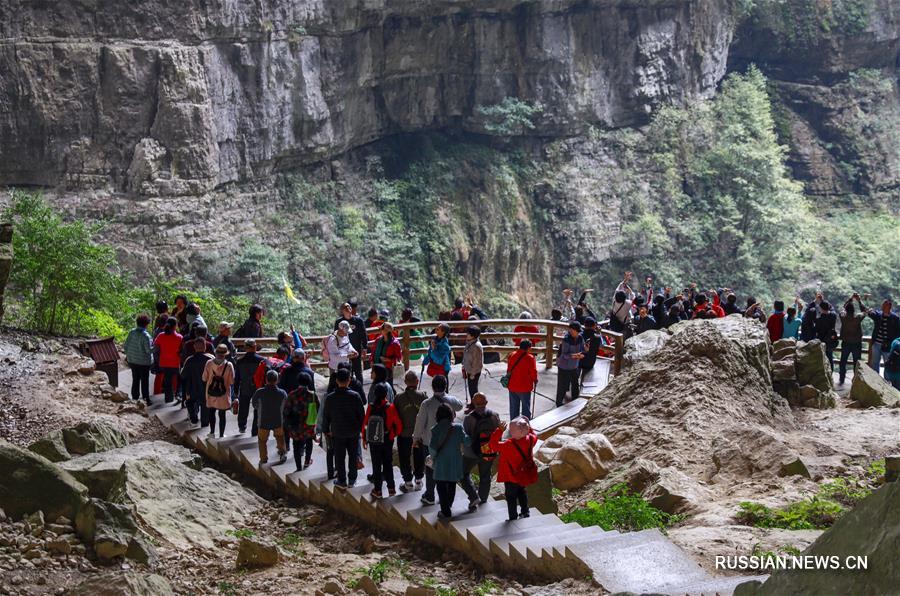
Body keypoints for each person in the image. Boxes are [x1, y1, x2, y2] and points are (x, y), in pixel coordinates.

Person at [412, 375, 463, 505]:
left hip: (429, 443)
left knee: (430, 468)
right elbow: (460, 406)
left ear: (432, 387)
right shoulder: (451, 401)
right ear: (445, 386)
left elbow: (420, 423)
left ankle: (430, 495)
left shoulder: (426, 404)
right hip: (449, 443)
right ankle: (445, 496)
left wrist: (416, 438)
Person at [320, 368, 365, 489]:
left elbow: (326, 416)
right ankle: (352, 479)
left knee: (339, 457)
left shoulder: (330, 398)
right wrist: (361, 429)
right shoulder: (355, 396)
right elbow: (362, 415)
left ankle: (341, 480)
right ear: (349, 380)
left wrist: (325, 430)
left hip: (337, 432)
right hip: (353, 431)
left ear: (336, 380)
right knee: (353, 455)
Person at [490, 417, 538, 521]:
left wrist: (499, 430)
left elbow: (493, 445)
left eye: (511, 430)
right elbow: (534, 435)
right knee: (522, 491)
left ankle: (513, 517)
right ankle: (525, 512)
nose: (510, 432)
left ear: (517, 432)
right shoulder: (530, 439)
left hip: (511, 476)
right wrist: (527, 425)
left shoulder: (509, 445)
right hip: (523, 473)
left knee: (511, 497)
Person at [429, 404, 469, 519]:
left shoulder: (435, 429)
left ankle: (445, 511)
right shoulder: (458, 428)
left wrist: (433, 456)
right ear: (451, 415)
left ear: (438, 416)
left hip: (441, 462)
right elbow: (467, 442)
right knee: (452, 484)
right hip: (455, 461)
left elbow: (432, 448)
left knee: (441, 486)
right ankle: (449, 505)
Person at [362, 383, 403, 499]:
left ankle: (378, 490)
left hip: (374, 441)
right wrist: (393, 435)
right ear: (386, 394)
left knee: (376, 465)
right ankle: (391, 489)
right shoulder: (390, 407)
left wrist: (365, 439)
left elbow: (365, 424)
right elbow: (398, 425)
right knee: (388, 464)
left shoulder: (370, 407)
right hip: (386, 440)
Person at [460, 393, 500, 510]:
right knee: (485, 475)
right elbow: (498, 433)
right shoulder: (494, 415)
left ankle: (473, 496)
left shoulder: (468, 418)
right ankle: (483, 499)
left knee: (464, 474)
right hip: (488, 451)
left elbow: (466, 437)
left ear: (473, 402)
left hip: (471, 453)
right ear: (486, 402)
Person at [394, 370, 427, 492]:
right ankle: (419, 480)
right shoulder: (423, 396)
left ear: (405, 382)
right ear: (417, 381)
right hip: (419, 435)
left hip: (404, 433)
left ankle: (408, 482)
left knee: (404, 457)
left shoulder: (398, 398)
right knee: (419, 456)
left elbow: (395, 415)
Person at [283, 372, 318, 470]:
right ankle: (307, 461)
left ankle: (298, 467)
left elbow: (286, 411)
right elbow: (318, 409)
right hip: (308, 424)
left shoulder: (292, 395)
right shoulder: (313, 395)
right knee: (309, 442)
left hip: (295, 426)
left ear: (298, 381)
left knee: (296, 446)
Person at [252, 370, 288, 465]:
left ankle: (263, 458)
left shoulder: (259, 392)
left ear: (266, 380)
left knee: (262, 440)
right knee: (280, 437)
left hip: (263, 420)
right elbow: (286, 406)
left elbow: (254, 405)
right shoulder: (282, 393)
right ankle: (282, 453)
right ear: (277, 380)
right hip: (278, 420)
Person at [202, 344, 235, 438]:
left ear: (216, 352)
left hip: (211, 393)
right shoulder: (229, 365)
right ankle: (221, 435)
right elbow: (232, 381)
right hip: (223, 394)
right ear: (225, 354)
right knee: (222, 414)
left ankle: (212, 432)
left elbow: (204, 378)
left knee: (211, 413)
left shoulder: (209, 363)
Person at [234, 339, 265, 435]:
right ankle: (255, 430)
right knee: (257, 408)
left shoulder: (239, 361)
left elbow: (237, 378)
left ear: (245, 348)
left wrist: (235, 391)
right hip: (258, 387)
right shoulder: (261, 360)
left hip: (244, 386)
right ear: (255, 347)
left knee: (243, 407)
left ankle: (242, 426)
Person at [181, 337, 214, 426]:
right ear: (205, 346)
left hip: (192, 388)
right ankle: (205, 424)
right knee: (205, 406)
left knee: (190, 403)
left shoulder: (189, 360)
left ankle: (194, 418)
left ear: (194, 347)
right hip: (208, 388)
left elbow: (183, 375)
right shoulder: (211, 359)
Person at [334, 303, 367, 383]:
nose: (348, 308)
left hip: (356, 350)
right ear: (342, 311)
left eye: (349, 306)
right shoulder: (339, 322)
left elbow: (363, 334)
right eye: (345, 307)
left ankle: (360, 389)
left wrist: (365, 348)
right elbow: (335, 335)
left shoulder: (358, 321)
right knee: (346, 372)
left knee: (358, 372)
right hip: (344, 351)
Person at [123, 314, 153, 404]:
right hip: (143, 363)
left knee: (135, 379)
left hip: (132, 361)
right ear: (147, 324)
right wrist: (156, 347)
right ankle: (146, 399)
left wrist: (129, 355)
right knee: (144, 381)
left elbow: (126, 346)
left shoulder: (132, 332)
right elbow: (148, 350)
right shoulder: (146, 336)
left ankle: (135, 398)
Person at [838, 294, 867, 385]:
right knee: (857, 362)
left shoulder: (843, 317)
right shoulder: (857, 318)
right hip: (856, 343)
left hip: (846, 342)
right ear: (854, 310)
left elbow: (843, 308)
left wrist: (850, 299)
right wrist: (858, 301)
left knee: (843, 361)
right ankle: (856, 380)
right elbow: (865, 311)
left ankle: (842, 378)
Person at [153, 317, 183, 404]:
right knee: (175, 380)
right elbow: (181, 350)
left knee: (167, 381)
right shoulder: (179, 337)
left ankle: (168, 399)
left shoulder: (161, 335)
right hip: (175, 363)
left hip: (164, 363)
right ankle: (176, 396)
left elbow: (155, 347)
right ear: (175, 326)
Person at [868, 299, 900, 377]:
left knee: (888, 363)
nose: (883, 307)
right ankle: (876, 380)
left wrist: (892, 343)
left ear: (889, 307)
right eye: (883, 305)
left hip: (888, 346)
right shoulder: (879, 315)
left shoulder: (895, 318)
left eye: (885, 305)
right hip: (876, 344)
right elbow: (868, 312)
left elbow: (898, 332)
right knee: (875, 363)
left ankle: (886, 382)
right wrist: (859, 301)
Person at [507, 339, 538, 419]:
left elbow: (509, 369)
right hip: (525, 387)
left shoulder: (512, 355)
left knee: (514, 408)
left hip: (513, 386)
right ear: (528, 348)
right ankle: (525, 424)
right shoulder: (530, 358)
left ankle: (513, 424)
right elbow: (533, 372)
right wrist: (535, 380)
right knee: (525, 409)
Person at [556, 321, 585, 407]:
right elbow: (564, 355)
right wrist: (575, 356)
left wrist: (584, 351)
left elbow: (583, 348)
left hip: (574, 366)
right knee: (562, 386)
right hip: (564, 367)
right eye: (576, 331)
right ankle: (559, 403)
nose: (577, 332)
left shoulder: (580, 338)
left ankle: (575, 403)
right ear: (571, 330)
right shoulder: (566, 340)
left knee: (575, 385)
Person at [325, 320, 359, 391]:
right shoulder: (333, 340)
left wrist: (353, 350)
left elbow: (348, 345)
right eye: (345, 331)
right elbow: (334, 357)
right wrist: (348, 356)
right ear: (340, 330)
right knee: (334, 386)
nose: (347, 333)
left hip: (345, 365)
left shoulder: (346, 335)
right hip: (335, 367)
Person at [371, 322, 402, 386]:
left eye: (382, 329)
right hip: (377, 367)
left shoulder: (395, 343)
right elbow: (373, 352)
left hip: (388, 369)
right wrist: (371, 360)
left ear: (386, 331)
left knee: (388, 386)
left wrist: (388, 359)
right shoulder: (378, 340)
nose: (380, 330)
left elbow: (398, 358)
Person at [579, 317, 605, 386]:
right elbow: (601, 346)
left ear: (584, 325)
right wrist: (599, 333)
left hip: (579, 361)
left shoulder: (579, 335)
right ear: (594, 326)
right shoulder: (598, 337)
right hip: (591, 362)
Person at [461, 326, 484, 401]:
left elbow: (477, 362)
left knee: (473, 389)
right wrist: (464, 365)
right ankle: (473, 403)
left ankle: (476, 404)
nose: (466, 334)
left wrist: (473, 374)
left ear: (473, 335)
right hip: (469, 370)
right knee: (471, 388)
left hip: (474, 372)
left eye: (468, 333)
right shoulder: (469, 343)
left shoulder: (476, 346)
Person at [815, 301, 838, 371]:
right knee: (830, 357)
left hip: (822, 341)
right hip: (830, 340)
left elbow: (816, 330)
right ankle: (831, 372)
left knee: (822, 358)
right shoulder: (833, 315)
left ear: (821, 309)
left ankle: (824, 373)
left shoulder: (819, 319)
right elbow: (831, 309)